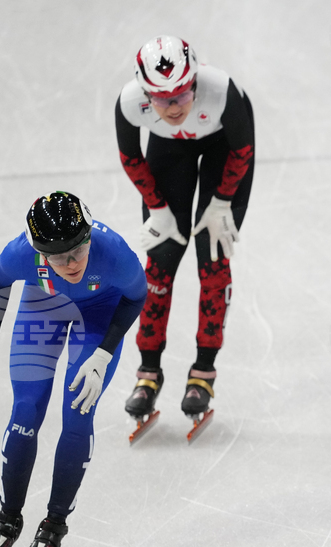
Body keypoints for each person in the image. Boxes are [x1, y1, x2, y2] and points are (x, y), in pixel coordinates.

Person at [0, 191, 146, 547]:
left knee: (77, 412)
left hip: (99, 315)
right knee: (25, 409)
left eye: (77, 253)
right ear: (38, 252)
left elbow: (137, 297)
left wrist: (103, 353)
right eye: (57, 257)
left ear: (88, 239)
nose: (70, 264)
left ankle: (54, 524)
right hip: (43, 307)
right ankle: (8, 518)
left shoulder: (114, 253)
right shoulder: (20, 253)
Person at [115, 35, 255, 428]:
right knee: (160, 262)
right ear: (144, 93)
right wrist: (157, 208)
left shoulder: (221, 90)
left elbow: (242, 152)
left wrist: (223, 200)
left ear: (194, 82)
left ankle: (203, 373)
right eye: (160, 100)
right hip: (169, 149)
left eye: (180, 96)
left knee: (212, 256)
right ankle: (148, 372)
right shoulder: (129, 102)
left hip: (224, 149)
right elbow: (130, 157)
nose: (172, 108)